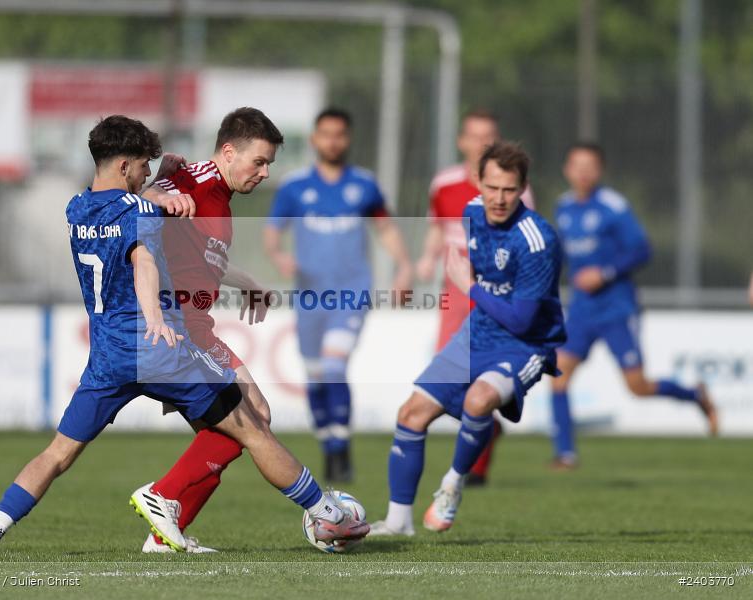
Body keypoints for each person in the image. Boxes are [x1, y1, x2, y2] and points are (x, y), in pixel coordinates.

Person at [0, 115, 368, 555]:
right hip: (160, 346)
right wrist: (156, 310)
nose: (265, 172)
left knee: (59, 453)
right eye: (142, 166)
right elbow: (144, 258)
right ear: (125, 166)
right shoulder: (153, 203)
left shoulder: (76, 208)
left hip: (106, 358)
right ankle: (321, 511)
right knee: (253, 426)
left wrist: (160, 185)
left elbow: (141, 221)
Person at [370, 141, 565, 536]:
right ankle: (397, 523)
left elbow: (522, 319)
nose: (499, 198)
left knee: (479, 399)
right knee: (410, 414)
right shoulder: (471, 213)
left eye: (509, 190)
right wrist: (474, 289)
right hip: (479, 332)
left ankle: (453, 484)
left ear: (523, 187)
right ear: (478, 182)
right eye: (492, 187)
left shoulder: (536, 241)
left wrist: (469, 287)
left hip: (525, 342)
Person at [138, 107, 283, 553]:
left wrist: (250, 282)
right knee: (251, 418)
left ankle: (164, 536)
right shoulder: (194, 179)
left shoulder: (220, 197)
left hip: (198, 326)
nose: (263, 172)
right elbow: (137, 209)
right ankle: (161, 497)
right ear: (228, 150)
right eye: (258, 161)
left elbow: (206, 260)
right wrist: (156, 188)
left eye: (269, 165)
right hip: (183, 329)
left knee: (237, 427)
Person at [263, 107, 413, 483]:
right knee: (315, 377)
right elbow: (272, 232)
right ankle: (329, 444)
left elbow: (386, 230)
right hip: (309, 296)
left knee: (334, 366)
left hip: (352, 292)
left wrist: (404, 266)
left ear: (347, 139)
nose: (333, 141)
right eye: (326, 134)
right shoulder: (295, 186)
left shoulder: (363, 184)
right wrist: (279, 255)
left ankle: (341, 447)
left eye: (339, 134)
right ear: (315, 139)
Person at [549, 142, 718, 468]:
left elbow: (642, 249)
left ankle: (695, 395)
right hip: (583, 309)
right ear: (567, 170)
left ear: (599, 171)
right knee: (558, 374)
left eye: (590, 166)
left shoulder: (613, 206)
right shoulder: (563, 207)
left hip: (617, 309)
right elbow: (566, 255)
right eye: (576, 166)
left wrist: (606, 272)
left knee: (637, 386)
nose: (582, 173)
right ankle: (565, 454)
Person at [415, 108, 535, 487]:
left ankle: (477, 468)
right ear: (461, 141)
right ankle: (490, 426)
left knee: (482, 374)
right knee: (447, 374)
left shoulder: (515, 189)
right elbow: (438, 228)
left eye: (490, 136)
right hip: (454, 291)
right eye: (475, 136)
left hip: (493, 292)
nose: (482, 143)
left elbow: (527, 243)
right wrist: (425, 260)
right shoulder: (444, 184)